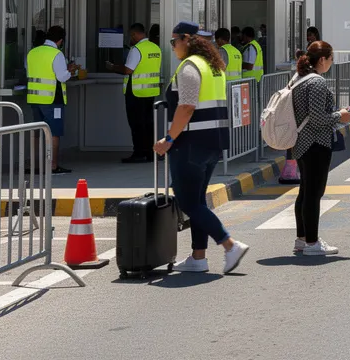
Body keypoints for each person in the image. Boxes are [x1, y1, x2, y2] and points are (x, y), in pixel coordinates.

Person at [154, 22, 250, 274]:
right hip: (212, 142)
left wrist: (168, 139)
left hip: (191, 144)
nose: (173, 47)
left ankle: (230, 245)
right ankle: (198, 257)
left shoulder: (189, 67)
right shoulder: (213, 66)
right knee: (197, 201)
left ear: (186, 40)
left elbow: (186, 107)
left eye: (174, 42)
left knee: (187, 201)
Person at [290, 40, 350, 257]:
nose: (331, 63)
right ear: (323, 59)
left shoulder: (298, 78)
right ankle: (312, 242)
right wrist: (341, 115)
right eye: (331, 59)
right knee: (313, 194)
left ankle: (302, 238)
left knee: (305, 192)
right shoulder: (316, 82)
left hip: (301, 142)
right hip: (315, 142)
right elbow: (317, 119)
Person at [106, 23, 161, 164]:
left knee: (136, 124)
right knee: (148, 124)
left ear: (135, 34)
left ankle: (139, 153)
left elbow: (128, 70)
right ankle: (150, 152)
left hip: (136, 92)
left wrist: (112, 67)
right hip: (150, 91)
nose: (130, 38)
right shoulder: (155, 48)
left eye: (131, 35)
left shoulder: (137, 49)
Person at [26, 25, 78, 175]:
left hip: (34, 98)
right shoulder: (56, 54)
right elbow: (61, 77)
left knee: (36, 132)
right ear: (61, 40)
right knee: (54, 133)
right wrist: (71, 71)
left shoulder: (33, 52)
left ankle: (33, 164)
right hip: (52, 99)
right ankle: (52, 165)